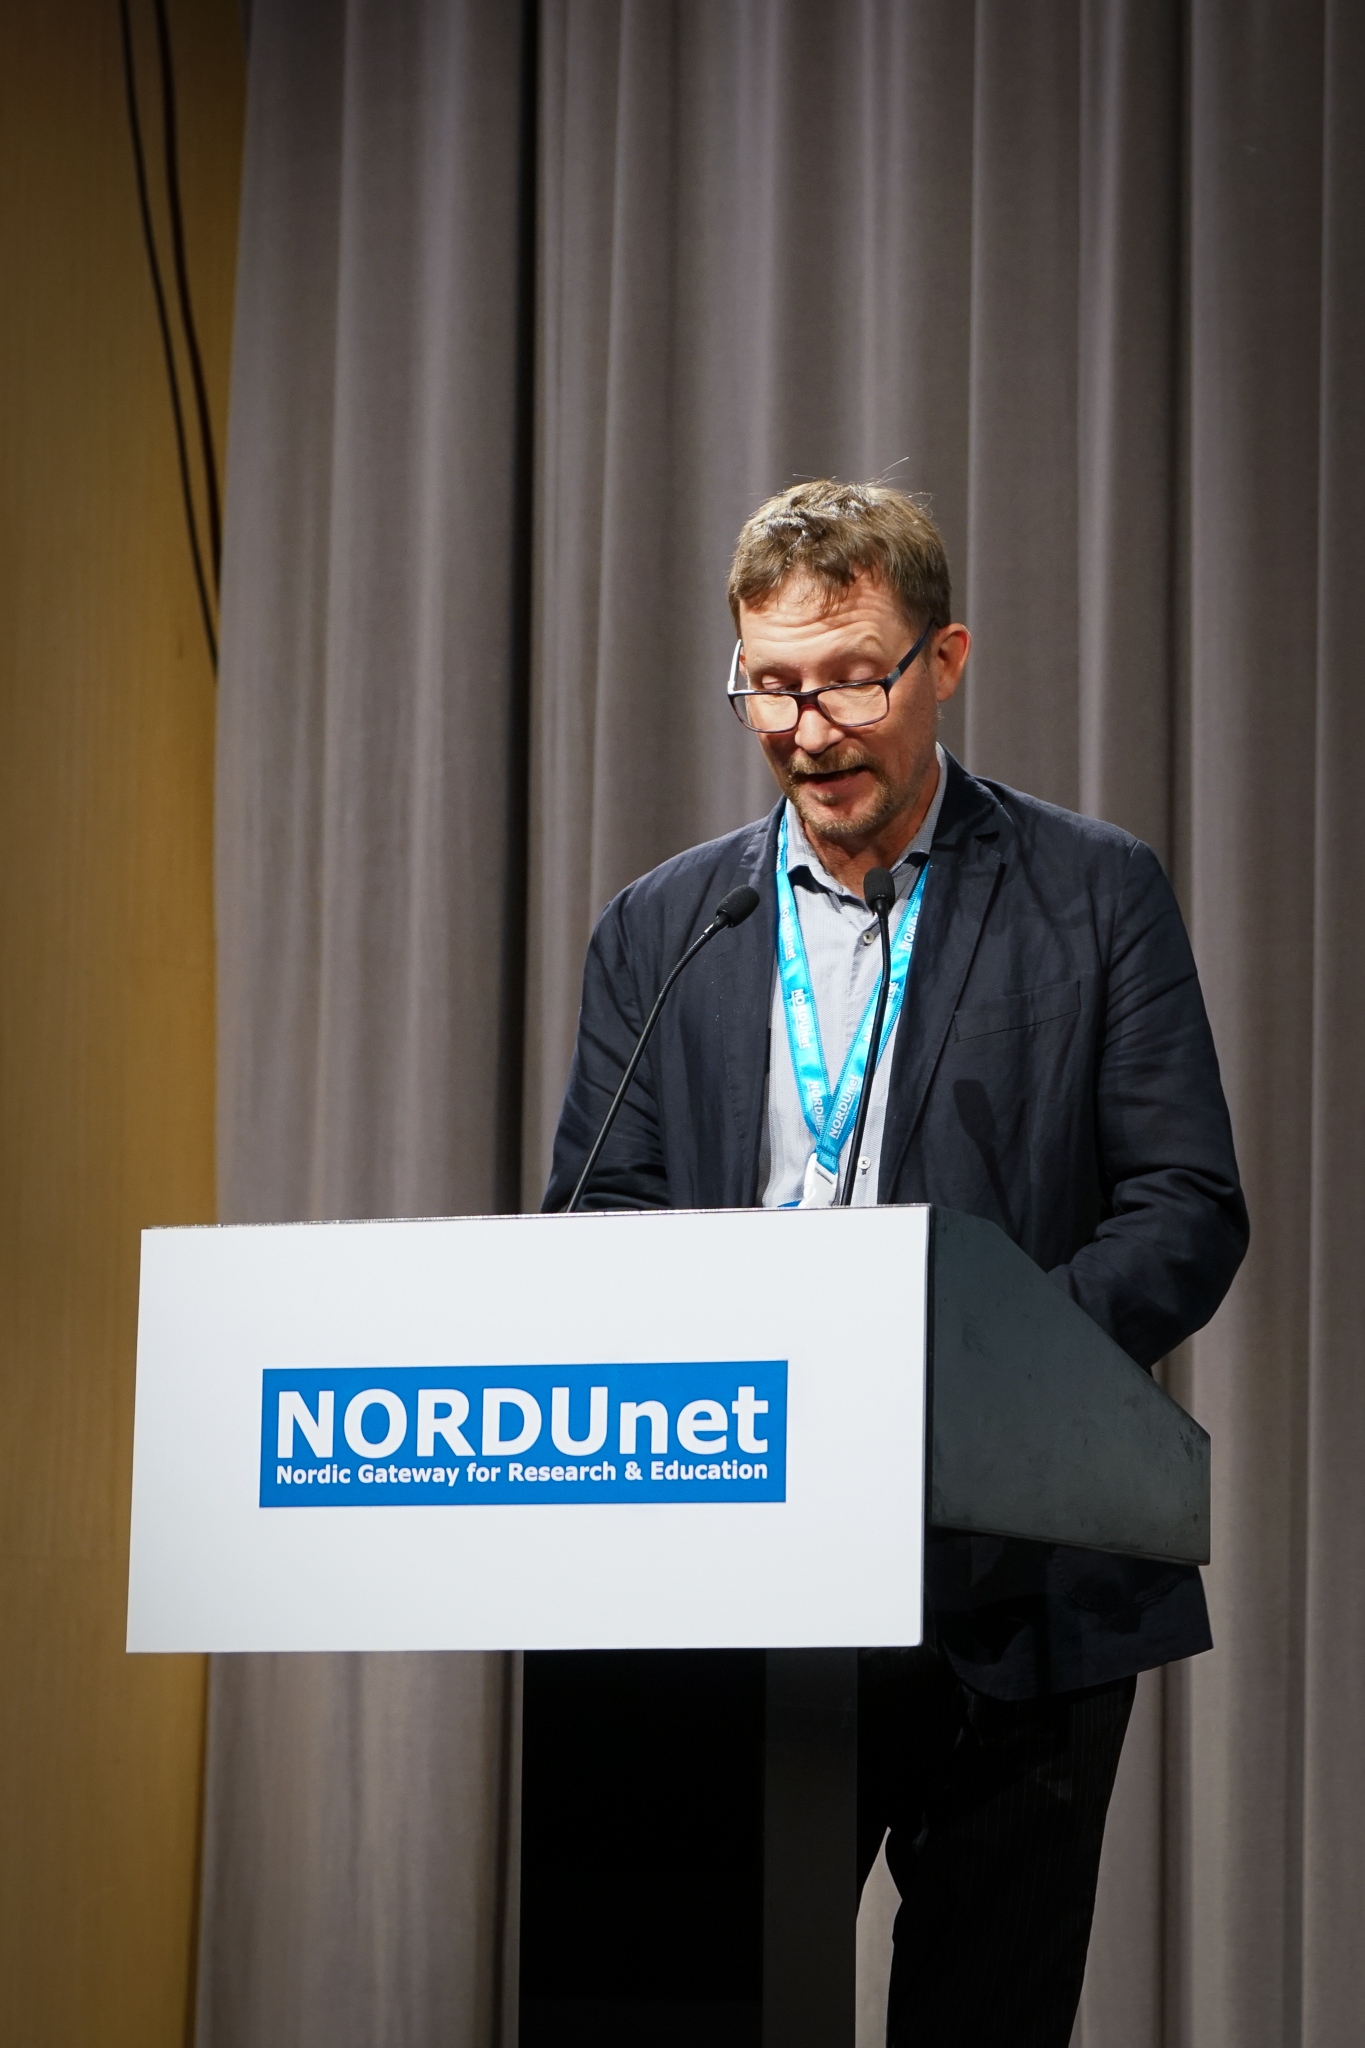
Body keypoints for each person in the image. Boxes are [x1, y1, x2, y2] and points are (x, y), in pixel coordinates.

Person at [544, 480, 1247, 2046]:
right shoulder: (665, 927)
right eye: (771, 686)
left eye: (852, 680)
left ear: (944, 661)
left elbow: (1185, 1204)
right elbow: (598, 1217)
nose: (809, 731)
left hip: (1012, 1580)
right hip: (735, 1574)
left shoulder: (1091, 893)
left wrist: (979, 1381)